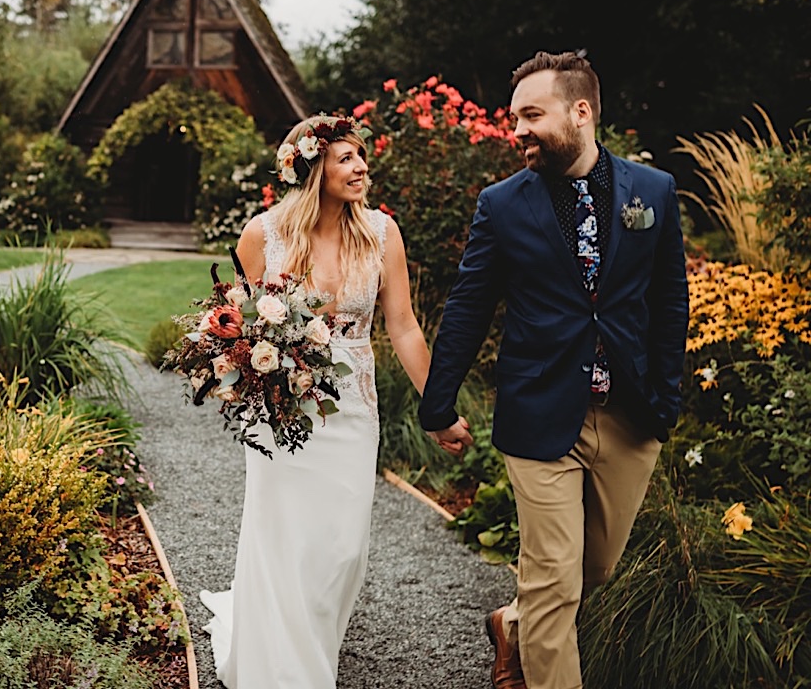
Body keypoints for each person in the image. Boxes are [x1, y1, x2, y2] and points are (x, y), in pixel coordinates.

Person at [418, 51, 689, 689]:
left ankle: (513, 623)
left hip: (629, 415)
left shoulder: (652, 192)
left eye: (532, 115)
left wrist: (666, 397)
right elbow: (469, 307)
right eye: (516, 117)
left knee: (593, 570)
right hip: (540, 416)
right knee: (554, 581)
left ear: (581, 111)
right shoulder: (502, 205)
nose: (518, 130)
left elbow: (670, 300)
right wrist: (438, 404)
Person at [198, 114, 442, 688]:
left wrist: (438, 405)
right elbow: (232, 322)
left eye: (361, 157)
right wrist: (248, 370)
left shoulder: (381, 233)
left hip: (352, 409)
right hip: (280, 410)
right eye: (345, 158)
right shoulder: (263, 235)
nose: (361, 168)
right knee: (285, 538)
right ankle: (292, 671)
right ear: (312, 171)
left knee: (342, 549)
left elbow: (403, 326)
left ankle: (309, 646)